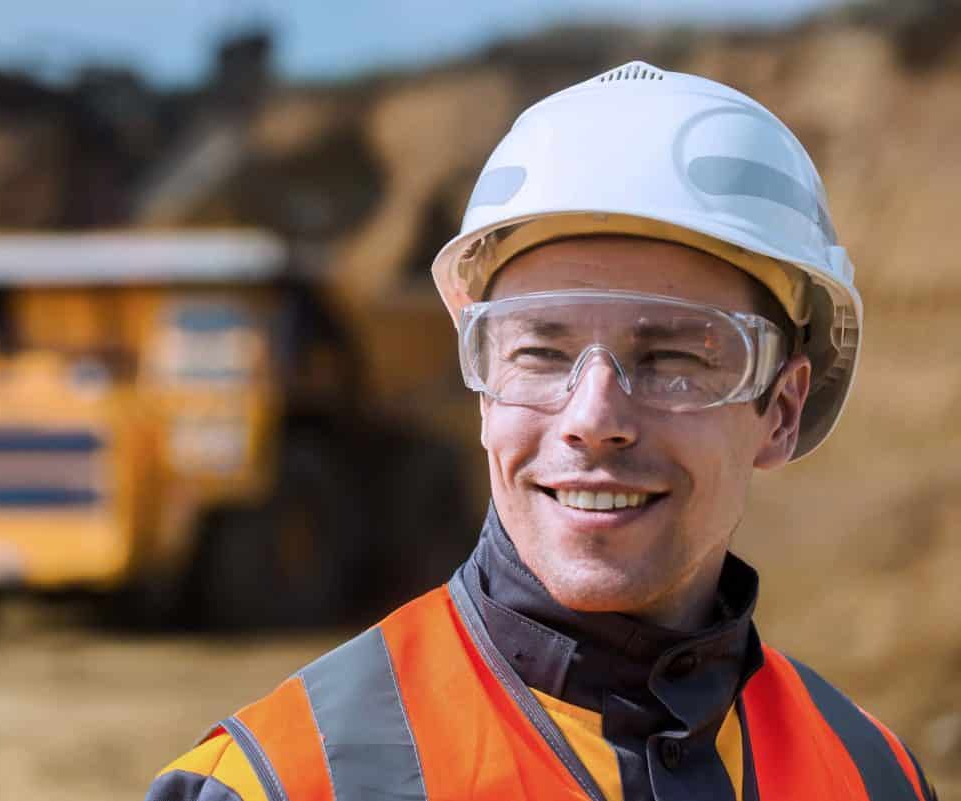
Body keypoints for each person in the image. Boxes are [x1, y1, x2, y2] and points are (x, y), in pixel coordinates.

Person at [143, 61, 937, 801]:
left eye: (672, 357)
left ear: (782, 409)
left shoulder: (875, 778)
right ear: (483, 391)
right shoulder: (277, 783)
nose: (592, 419)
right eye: (540, 352)